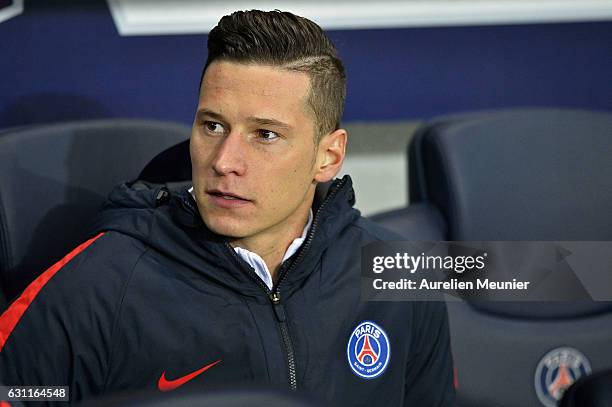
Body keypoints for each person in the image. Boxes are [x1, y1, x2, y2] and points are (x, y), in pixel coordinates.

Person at [0, 10, 454, 406]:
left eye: (265, 135)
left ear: (328, 157)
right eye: (213, 125)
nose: (224, 162)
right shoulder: (96, 288)